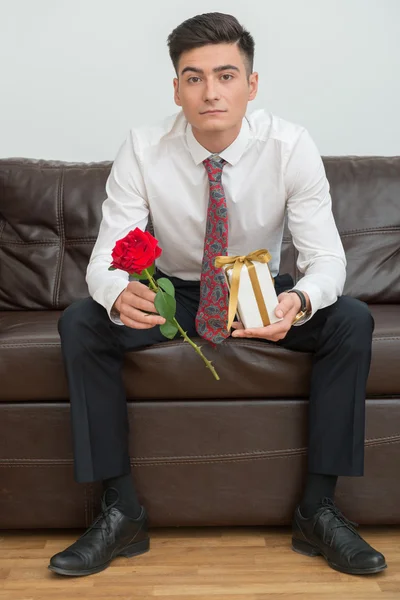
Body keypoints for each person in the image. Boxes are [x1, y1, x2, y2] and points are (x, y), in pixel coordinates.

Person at [49, 12, 387, 577]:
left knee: (350, 318)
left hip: (256, 287)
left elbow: (326, 259)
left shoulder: (290, 146)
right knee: (82, 321)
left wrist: (299, 301)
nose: (211, 92)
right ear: (176, 88)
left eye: (226, 76)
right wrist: (116, 294)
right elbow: (107, 256)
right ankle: (121, 510)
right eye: (194, 77)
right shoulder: (142, 147)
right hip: (177, 291)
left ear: (252, 85)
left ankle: (319, 509)